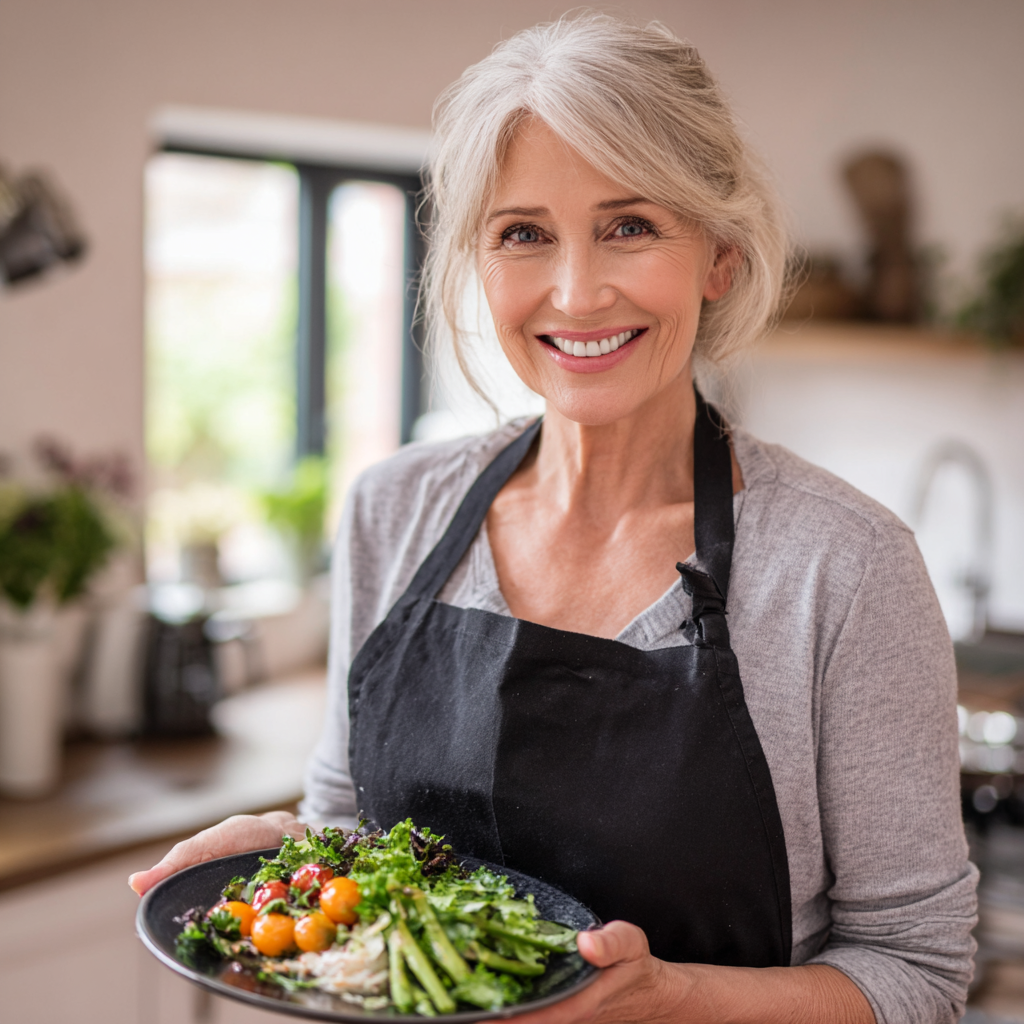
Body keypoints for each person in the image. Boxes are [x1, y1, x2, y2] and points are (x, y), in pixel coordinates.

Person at [130, 14, 977, 1023]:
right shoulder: (394, 510)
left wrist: (668, 998)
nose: (576, 293)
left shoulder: (843, 566)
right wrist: (294, 857)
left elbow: (916, 973)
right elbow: (357, 831)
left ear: (719, 256)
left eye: (630, 226)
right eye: (523, 234)